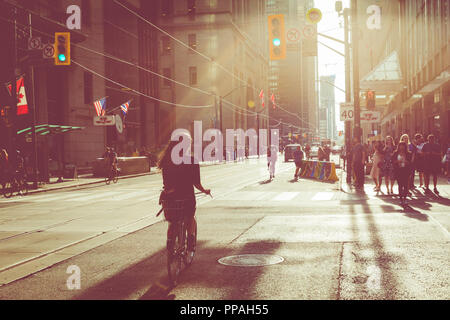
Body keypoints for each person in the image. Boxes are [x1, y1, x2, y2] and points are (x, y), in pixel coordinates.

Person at [158, 135, 210, 252]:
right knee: (190, 217)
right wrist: (205, 191)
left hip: (170, 197)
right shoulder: (192, 161)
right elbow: (197, 183)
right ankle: (191, 242)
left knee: (172, 222)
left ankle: (170, 243)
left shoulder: (167, 160)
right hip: (187, 196)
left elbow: (166, 183)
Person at [393, 141, 413, 206]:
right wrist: (397, 161)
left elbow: (411, 162)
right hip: (398, 171)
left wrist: (407, 162)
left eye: (403, 146)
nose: (402, 147)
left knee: (405, 186)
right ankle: (401, 199)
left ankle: (405, 198)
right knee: (400, 185)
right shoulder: (396, 153)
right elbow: (392, 161)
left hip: (406, 171)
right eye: (400, 146)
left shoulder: (408, 153)